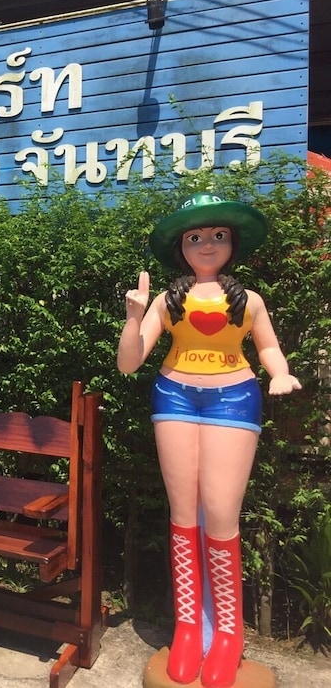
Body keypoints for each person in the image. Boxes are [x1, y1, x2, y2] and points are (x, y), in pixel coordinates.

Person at [116, 193, 301, 688]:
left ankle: (227, 635)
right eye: (195, 237)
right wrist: (134, 317)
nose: (206, 244)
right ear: (181, 247)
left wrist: (280, 373)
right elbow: (129, 363)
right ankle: (188, 628)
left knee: (220, 512)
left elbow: (268, 346)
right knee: (183, 512)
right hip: (174, 396)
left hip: (233, 399)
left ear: (232, 243)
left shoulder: (248, 300)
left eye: (218, 235)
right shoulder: (166, 300)